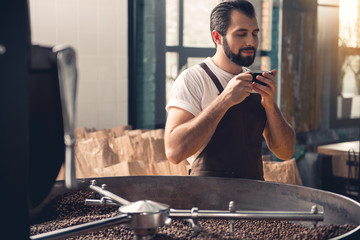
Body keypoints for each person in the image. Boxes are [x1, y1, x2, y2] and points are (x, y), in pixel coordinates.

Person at [164, 0, 295, 179]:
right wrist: (225, 99)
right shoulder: (193, 79)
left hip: (253, 199)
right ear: (217, 37)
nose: (251, 42)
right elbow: (174, 152)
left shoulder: (256, 82)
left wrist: (271, 106)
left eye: (254, 34)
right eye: (241, 34)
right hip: (207, 200)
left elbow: (285, 152)